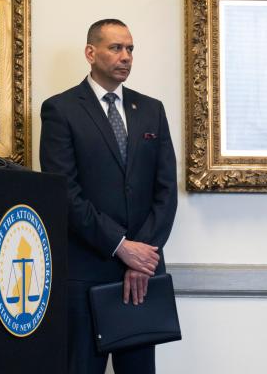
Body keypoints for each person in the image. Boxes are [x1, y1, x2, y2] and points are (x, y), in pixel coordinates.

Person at [40, 19, 177, 374]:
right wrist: (120, 245)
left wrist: (140, 256)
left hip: (143, 274)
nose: (126, 56)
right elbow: (64, 192)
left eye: (130, 49)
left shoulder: (151, 110)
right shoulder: (61, 109)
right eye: (116, 48)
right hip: (86, 273)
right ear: (90, 53)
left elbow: (166, 191)